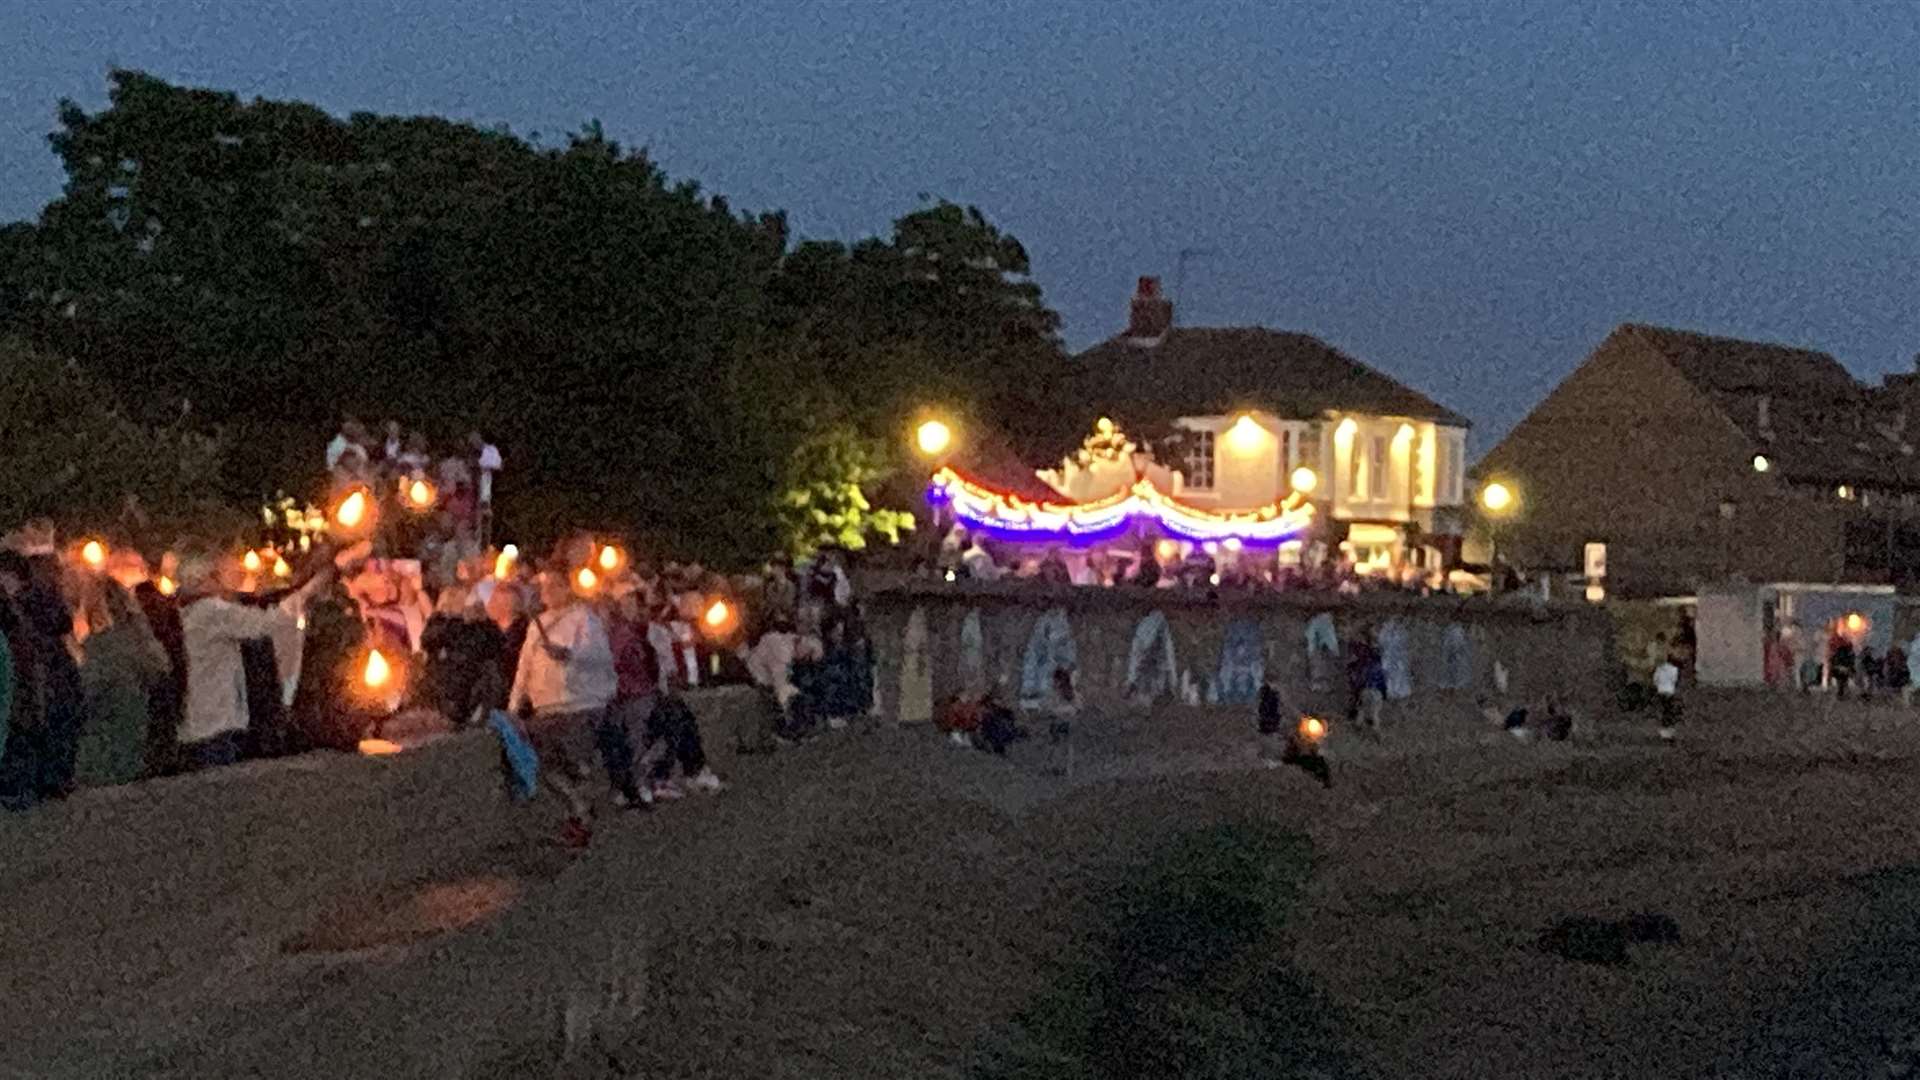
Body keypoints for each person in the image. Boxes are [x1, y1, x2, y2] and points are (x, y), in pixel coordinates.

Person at [175, 548, 331, 771]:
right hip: (216, 721)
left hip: (200, 720)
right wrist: (306, 592)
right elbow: (267, 623)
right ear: (205, 579)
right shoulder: (212, 612)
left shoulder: (186, 612)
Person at [506, 570, 618, 848]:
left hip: (579, 705)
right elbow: (525, 666)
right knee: (544, 763)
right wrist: (514, 705)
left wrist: (569, 655)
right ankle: (577, 810)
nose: (548, 593)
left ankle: (579, 820)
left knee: (576, 767)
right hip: (546, 707)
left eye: (555, 586)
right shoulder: (538, 624)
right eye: (545, 588)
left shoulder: (584, 619)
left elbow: (599, 655)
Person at [73, 579, 170, 787]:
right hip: (134, 749)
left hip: (101, 756)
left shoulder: (101, 651)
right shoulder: (142, 646)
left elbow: (81, 698)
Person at [1043, 666, 1078, 778]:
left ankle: (1063, 768)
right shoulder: (1054, 691)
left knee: (1062, 745)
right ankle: (1056, 767)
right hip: (1058, 722)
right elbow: (1047, 706)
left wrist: (1059, 711)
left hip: (1064, 722)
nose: (1056, 682)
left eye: (1057, 679)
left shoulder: (1068, 692)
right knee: (1057, 745)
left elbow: (1076, 707)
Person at [1653, 652, 1681, 742]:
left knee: (1662, 711)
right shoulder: (1674, 669)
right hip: (1669, 691)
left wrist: (1658, 686)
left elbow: (1655, 679)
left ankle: (1663, 731)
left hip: (1661, 691)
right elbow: (1674, 680)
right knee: (1669, 712)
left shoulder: (1659, 669)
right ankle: (1669, 732)